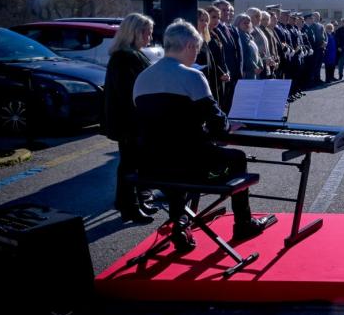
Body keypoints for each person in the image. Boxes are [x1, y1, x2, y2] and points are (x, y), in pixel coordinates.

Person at [133, 20, 276, 252]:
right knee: (237, 157)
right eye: (197, 49)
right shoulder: (192, 76)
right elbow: (218, 126)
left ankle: (181, 221)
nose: (196, 55)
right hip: (192, 165)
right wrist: (229, 125)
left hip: (152, 165)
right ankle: (243, 224)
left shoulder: (142, 78)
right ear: (189, 45)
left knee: (176, 153)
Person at [102, 13, 157, 223]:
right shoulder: (125, 57)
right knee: (129, 164)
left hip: (130, 119)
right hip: (129, 120)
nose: (150, 37)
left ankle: (131, 201)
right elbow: (128, 93)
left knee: (132, 163)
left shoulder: (130, 54)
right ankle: (130, 207)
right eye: (147, 33)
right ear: (135, 32)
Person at [212, 0, 241, 113]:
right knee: (222, 106)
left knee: (229, 105)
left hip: (232, 74)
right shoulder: (213, 29)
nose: (227, 12)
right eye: (223, 10)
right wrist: (222, 72)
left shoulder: (228, 28)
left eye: (228, 10)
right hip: (222, 75)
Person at [195, 8, 226, 103]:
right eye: (201, 20)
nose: (205, 23)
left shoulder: (205, 39)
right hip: (198, 82)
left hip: (210, 79)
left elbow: (212, 61)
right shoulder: (191, 40)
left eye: (206, 21)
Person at [234, 14, 262, 80]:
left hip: (254, 70)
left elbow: (257, 53)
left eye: (248, 23)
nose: (247, 25)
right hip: (247, 71)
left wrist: (260, 65)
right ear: (238, 24)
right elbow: (245, 54)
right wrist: (254, 67)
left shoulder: (249, 36)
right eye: (244, 23)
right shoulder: (239, 36)